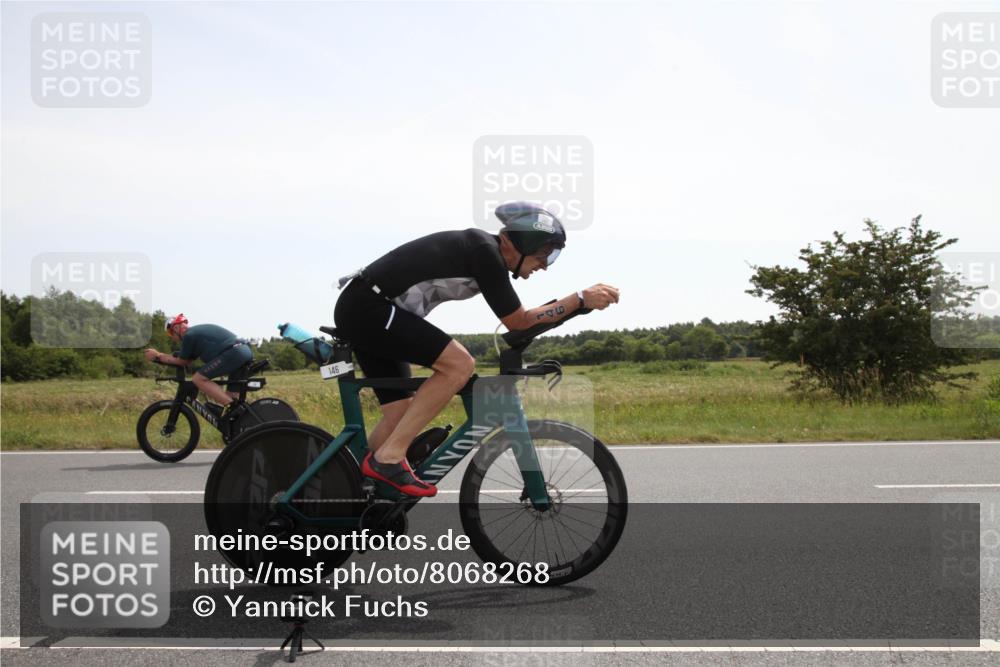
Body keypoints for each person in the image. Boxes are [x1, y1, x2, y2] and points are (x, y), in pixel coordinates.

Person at [334, 202, 620, 497]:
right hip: (369, 309)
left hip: (368, 310)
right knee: (458, 364)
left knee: (400, 417)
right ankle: (388, 460)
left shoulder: (483, 251)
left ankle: (348, 490)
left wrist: (577, 306)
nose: (545, 265)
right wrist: (579, 299)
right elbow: (518, 321)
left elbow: (522, 320)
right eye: (542, 255)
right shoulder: (485, 252)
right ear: (521, 244)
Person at [143, 315, 252, 422]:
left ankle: (234, 408)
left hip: (234, 353)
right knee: (230, 398)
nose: (171, 337)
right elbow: (187, 359)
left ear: (176, 328)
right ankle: (239, 421)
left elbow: (182, 361)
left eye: (170, 333)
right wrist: (164, 356)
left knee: (198, 379)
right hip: (242, 351)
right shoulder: (194, 334)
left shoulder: (189, 335)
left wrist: (158, 355)